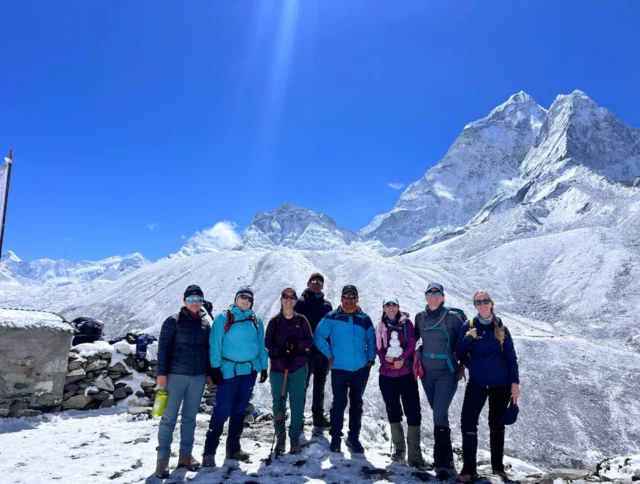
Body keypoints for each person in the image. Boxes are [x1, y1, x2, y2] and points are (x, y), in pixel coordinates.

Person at [454, 290, 520, 483]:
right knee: (468, 422)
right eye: (478, 302)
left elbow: (511, 357)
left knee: (497, 424)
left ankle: (498, 469)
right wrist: (468, 338)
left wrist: (515, 384)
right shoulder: (469, 326)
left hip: (501, 383)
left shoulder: (501, 327)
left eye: (485, 301)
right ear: (474, 305)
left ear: (491, 303)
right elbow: (459, 353)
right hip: (477, 383)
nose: (482, 304)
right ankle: (468, 470)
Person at [202, 286, 268, 467]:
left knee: (240, 410)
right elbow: (214, 343)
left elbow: (261, 344)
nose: (245, 301)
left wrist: (263, 367)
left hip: (248, 371)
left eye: (248, 299)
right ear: (236, 299)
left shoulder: (256, 320)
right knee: (222, 409)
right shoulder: (224, 318)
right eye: (242, 297)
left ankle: (233, 449)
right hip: (228, 371)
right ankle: (209, 453)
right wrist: (215, 368)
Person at [155, 285, 214, 479]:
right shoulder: (173, 321)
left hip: (197, 377)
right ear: (184, 301)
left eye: (198, 299)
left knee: (190, 418)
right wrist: (162, 373)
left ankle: (185, 457)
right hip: (175, 376)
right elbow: (163, 348)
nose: (195, 302)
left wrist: (208, 373)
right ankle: (162, 461)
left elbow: (208, 350)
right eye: (191, 299)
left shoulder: (205, 324)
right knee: (169, 418)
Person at [314, 285, 375, 454]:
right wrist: (329, 355)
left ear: (357, 299)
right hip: (339, 368)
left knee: (357, 404)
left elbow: (371, 340)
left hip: (360, 369)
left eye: (352, 297)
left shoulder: (365, 319)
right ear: (341, 298)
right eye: (346, 297)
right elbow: (318, 336)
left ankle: (353, 437)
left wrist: (370, 359)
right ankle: (335, 437)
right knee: (339, 403)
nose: (349, 300)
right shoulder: (332, 317)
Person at [414, 283, 466, 479]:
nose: (433, 296)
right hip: (426, 373)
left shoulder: (453, 318)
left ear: (443, 297)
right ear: (425, 296)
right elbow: (412, 338)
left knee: (440, 412)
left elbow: (464, 342)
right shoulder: (420, 317)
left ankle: (441, 462)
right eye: (430, 292)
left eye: (437, 293)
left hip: (447, 371)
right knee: (437, 412)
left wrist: (464, 365)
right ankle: (449, 457)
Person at [374, 297, 425, 467]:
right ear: (383, 308)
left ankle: (415, 455)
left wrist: (403, 359)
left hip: (406, 374)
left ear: (398, 307)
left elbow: (411, 343)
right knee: (393, 411)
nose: (391, 308)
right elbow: (378, 348)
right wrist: (386, 360)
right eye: (387, 305)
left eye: (394, 305)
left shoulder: (407, 324)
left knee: (413, 411)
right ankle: (399, 451)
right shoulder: (380, 327)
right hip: (387, 375)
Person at [266, 287, 314, 455]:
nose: (288, 300)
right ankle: (280, 435)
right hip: (279, 368)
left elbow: (310, 340)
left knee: (297, 401)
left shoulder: (302, 321)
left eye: (292, 297)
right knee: (278, 402)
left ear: (295, 301)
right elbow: (268, 343)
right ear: (281, 300)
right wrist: (279, 351)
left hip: (298, 366)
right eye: (285, 297)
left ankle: (294, 437)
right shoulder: (275, 321)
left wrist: (297, 345)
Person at [294, 272, 333, 428]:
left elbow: (331, 327)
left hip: (323, 351)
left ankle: (318, 417)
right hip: (305, 351)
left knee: (320, 385)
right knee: (303, 385)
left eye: (319, 281)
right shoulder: (300, 303)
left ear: (323, 285)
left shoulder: (327, 305)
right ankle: (298, 417)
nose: (316, 284)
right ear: (308, 283)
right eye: (313, 281)